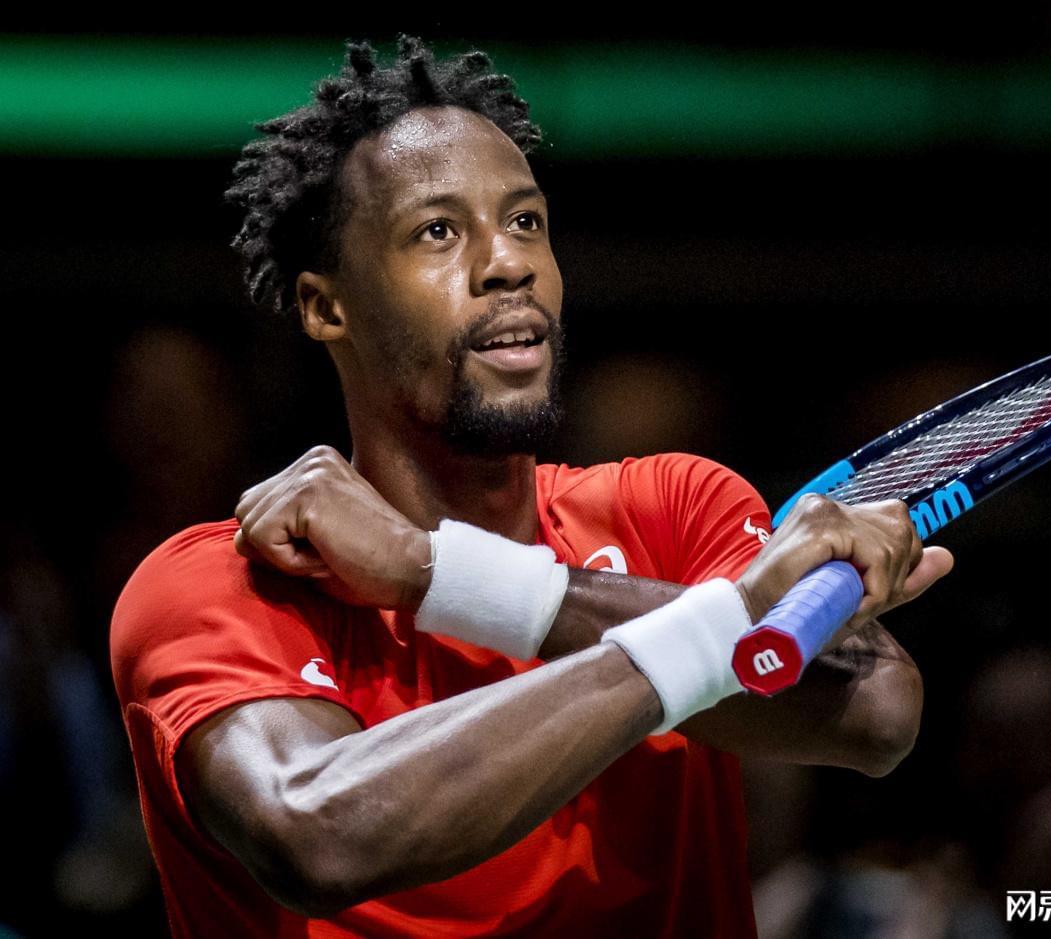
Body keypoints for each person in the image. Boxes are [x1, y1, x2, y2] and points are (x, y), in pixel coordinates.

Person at [109, 35, 954, 937]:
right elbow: (317, 835)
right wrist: (724, 619)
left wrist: (436, 574)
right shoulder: (219, 585)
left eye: (525, 222)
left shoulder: (671, 509)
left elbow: (876, 710)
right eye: (438, 232)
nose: (507, 263)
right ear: (325, 305)